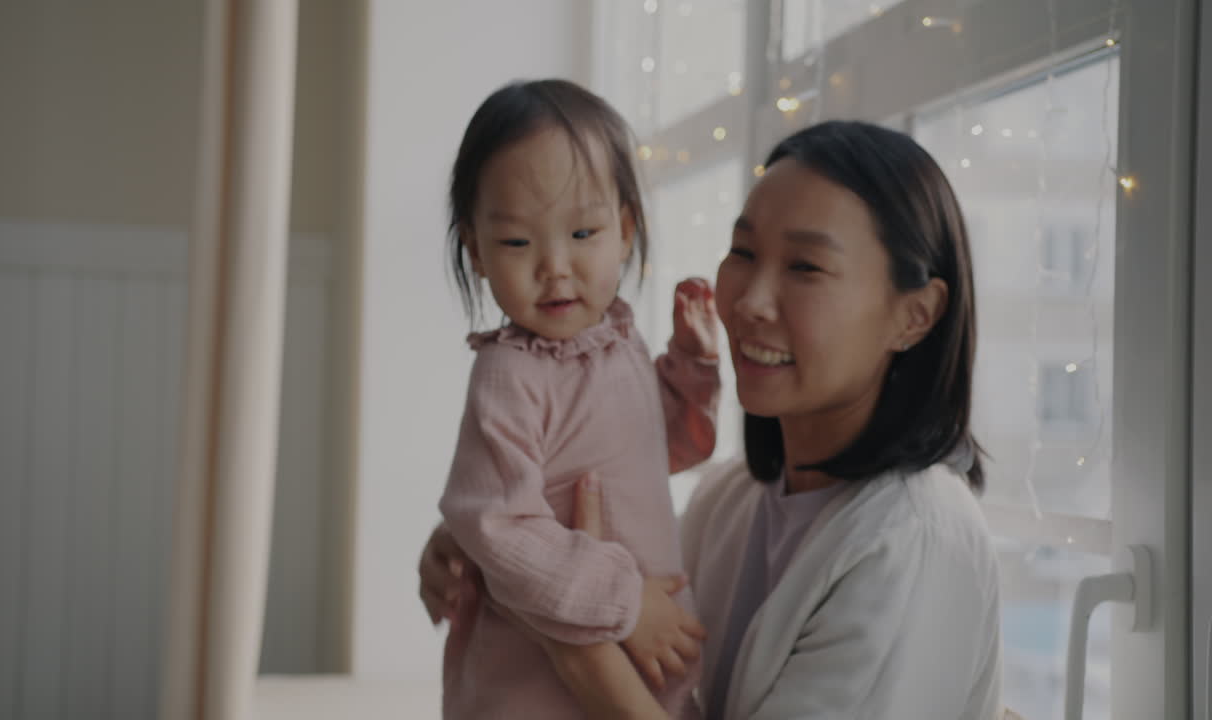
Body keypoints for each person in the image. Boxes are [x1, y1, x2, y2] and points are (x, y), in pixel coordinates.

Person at [421, 119, 1004, 719]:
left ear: (915, 315)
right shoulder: (730, 499)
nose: (749, 300)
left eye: (805, 267)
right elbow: (590, 516)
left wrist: (576, 646)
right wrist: (474, 535)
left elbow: (586, 607)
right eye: (744, 253)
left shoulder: (915, 540)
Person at [433, 78, 722, 720]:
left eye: (584, 233)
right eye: (516, 242)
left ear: (624, 230)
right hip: (534, 688)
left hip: (642, 678)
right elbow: (498, 527)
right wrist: (626, 603)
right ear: (475, 250)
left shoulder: (619, 341)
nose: (554, 265)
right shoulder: (509, 373)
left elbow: (658, 448)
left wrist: (690, 368)